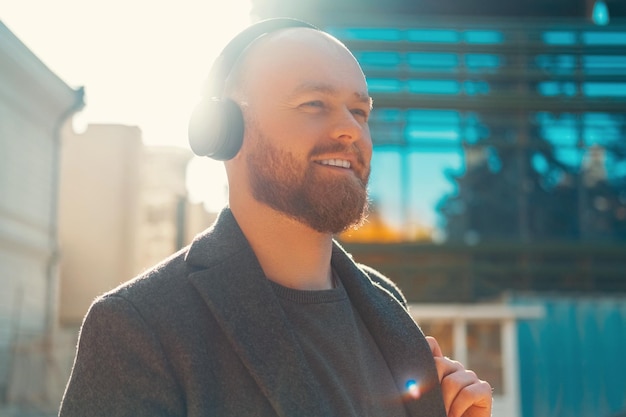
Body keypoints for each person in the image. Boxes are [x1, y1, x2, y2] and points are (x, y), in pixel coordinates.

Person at [59, 18, 492, 417]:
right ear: (227, 129)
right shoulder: (137, 328)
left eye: (360, 112)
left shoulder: (385, 304)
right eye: (314, 103)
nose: (351, 131)